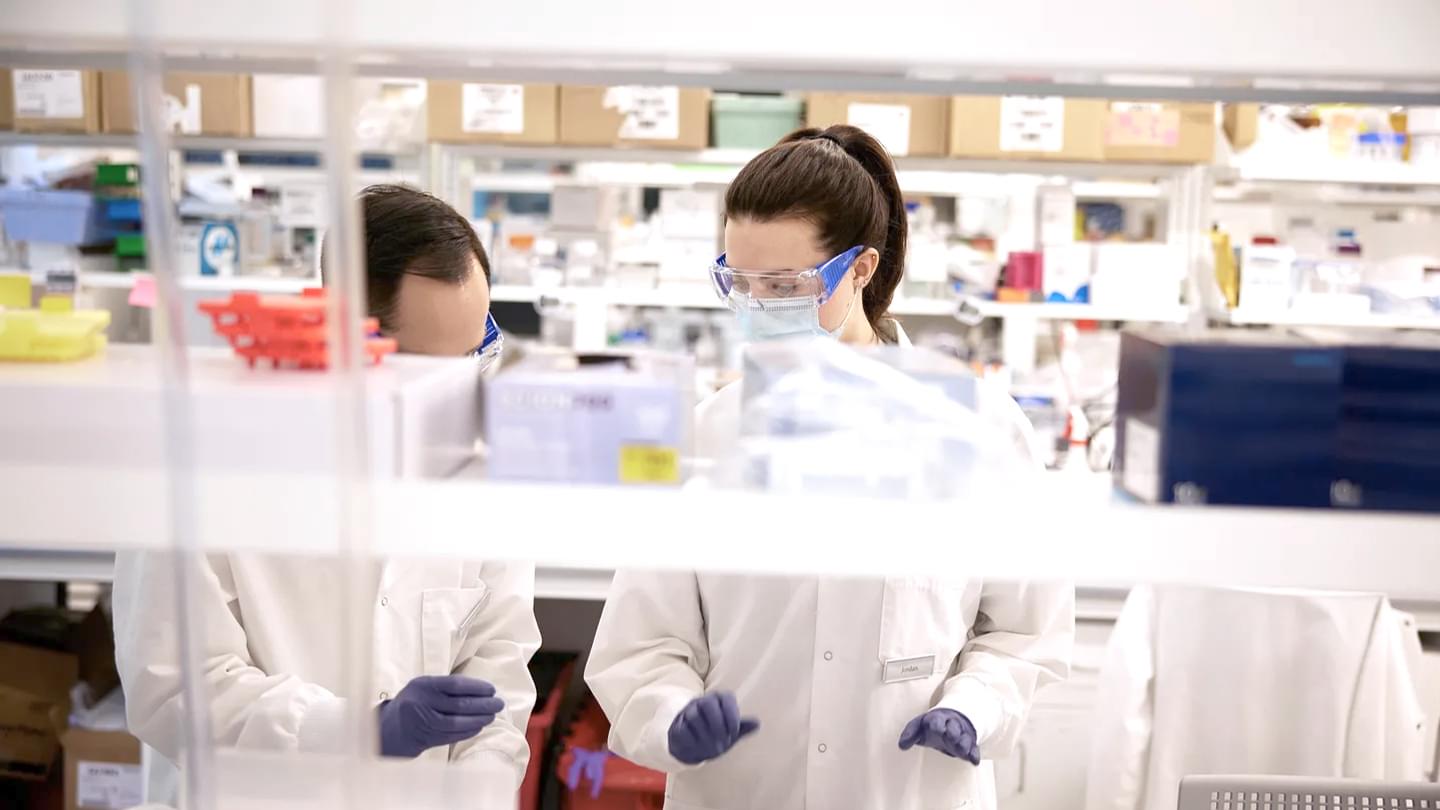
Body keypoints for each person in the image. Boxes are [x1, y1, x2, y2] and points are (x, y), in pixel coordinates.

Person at [584, 126, 1073, 809]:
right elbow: (642, 642)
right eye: (740, 282)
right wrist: (671, 715)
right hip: (743, 789)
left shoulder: (977, 426)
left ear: (862, 269)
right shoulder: (709, 432)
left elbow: (1027, 628)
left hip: (908, 791)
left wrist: (976, 707)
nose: (757, 306)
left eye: (785, 285)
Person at [112, 184, 536, 803]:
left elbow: (500, 664)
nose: (458, 395)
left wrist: (480, 790)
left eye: (475, 355)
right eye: (428, 371)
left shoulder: (479, 474)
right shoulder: (211, 464)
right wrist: (359, 730)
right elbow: (172, 688)